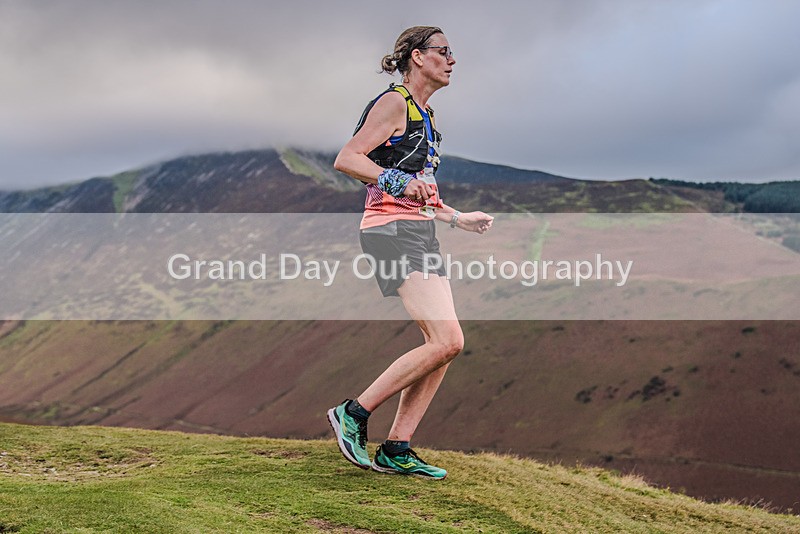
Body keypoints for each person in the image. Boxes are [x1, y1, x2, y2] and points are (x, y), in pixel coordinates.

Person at [328, 26, 493, 480]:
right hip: (390, 231)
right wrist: (399, 182)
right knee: (448, 340)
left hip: (419, 232)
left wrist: (458, 218)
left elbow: (423, 193)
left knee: (442, 346)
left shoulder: (426, 116)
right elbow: (348, 158)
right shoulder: (394, 102)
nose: (452, 60)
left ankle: (397, 446)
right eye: (444, 52)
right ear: (418, 57)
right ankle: (353, 414)